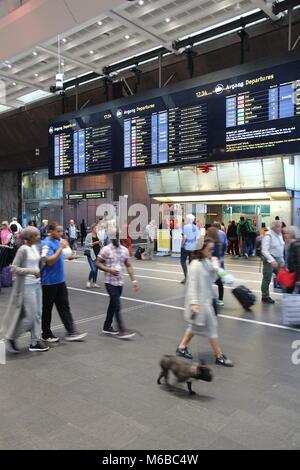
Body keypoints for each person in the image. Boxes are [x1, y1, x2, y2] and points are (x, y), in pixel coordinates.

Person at [175, 237, 233, 367]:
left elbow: (212, 279)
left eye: (212, 249)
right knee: (212, 329)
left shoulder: (206, 262)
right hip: (201, 304)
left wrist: (216, 268)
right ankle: (219, 356)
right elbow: (192, 286)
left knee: (194, 327)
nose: (211, 251)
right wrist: (194, 303)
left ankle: (181, 347)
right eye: (209, 249)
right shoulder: (195, 265)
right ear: (201, 249)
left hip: (206, 301)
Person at [0, 226, 49, 353]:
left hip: (37, 284)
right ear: (29, 237)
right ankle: (11, 337)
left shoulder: (35, 247)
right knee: (30, 316)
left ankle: (35, 342)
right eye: (36, 235)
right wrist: (31, 271)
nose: (39, 237)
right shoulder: (23, 249)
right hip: (27, 286)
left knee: (38, 314)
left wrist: (44, 257)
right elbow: (14, 268)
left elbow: (38, 266)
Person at [41, 222, 87, 342]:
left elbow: (60, 256)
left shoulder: (57, 241)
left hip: (60, 281)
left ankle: (71, 332)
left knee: (64, 307)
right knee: (47, 309)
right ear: (50, 231)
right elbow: (49, 262)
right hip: (49, 283)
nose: (60, 233)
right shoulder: (46, 243)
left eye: (61, 231)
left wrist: (68, 256)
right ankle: (46, 334)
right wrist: (61, 248)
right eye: (58, 231)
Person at [96, 228, 139, 339]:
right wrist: (109, 270)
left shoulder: (124, 250)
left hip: (120, 282)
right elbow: (97, 263)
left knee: (113, 305)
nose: (116, 237)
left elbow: (128, 265)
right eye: (114, 235)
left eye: (117, 235)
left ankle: (106, 326)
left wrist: (133, 280)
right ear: (110, 237)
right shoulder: (106, 250)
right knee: (117, 305)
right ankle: (121, 330)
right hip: (109, 282)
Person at [261, 220, 285, 304]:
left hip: (279, 258)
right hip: (269, 259)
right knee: (267, 278)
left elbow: (281, 246)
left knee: (283, 277)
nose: (281, 228)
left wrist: (282, 258)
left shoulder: (280, 234)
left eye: (281, 226)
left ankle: (286, 294)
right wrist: (272, 260)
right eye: (279, 226)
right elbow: (264, 250)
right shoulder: (268, 235)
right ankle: (265, 296)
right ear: (273, 227)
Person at [207, 226, 225, 307]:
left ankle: (211, 298)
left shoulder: (211, 243)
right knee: (219, 283)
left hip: (213, 265)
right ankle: (220, 299)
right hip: (220, 264)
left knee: (209, 282)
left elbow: (211, 255)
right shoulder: (219, 242)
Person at [180, 214, 197, 284]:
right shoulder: (196, 227)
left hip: (186, 247)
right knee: (191, 263)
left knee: (183, 261)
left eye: (186, 218)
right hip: (193, 247)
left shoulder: (186, 227)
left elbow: (184, 237)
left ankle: (186, 277)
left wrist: (181, 245)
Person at [283, 226, 300, 293]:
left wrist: (299, 279)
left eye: (286, 233)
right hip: (292, 274)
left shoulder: (296, 245)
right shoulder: (290, 245)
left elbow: (299, 262)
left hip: (296, 275)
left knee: (290, 292)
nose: (284, 235)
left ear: (291, 234)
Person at [85, 223, 101, 288]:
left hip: (98, 254)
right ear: (92, 229)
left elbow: (101, 244)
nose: (97, 229)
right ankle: (88, 281)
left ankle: (94, 283)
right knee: (93, 269)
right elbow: (86, 244)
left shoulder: (98, 235)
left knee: (96, 269)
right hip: (91, 254)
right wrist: (94, 243)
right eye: (95, 228)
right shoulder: (89, 235)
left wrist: (100, 243)